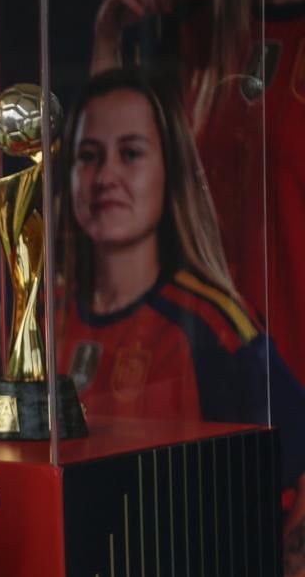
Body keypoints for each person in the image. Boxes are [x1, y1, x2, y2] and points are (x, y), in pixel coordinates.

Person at [55, 67, 305, 475]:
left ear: (170, 170)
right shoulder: (44, 317)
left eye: (131, 153)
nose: (105, 177)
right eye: (88, 156)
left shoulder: (214, 327)